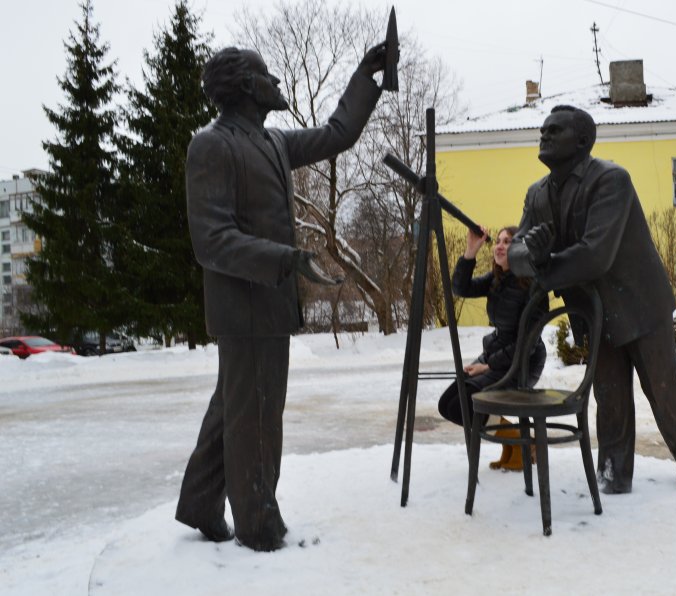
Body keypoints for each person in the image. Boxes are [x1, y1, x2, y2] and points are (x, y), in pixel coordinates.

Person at [175, 43, 390, 552]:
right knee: (256, 417)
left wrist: (365, 75)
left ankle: (201, 503)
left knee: (234, 409)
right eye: (267, 75)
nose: (276, 82)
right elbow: (213, 240)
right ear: (248, 87)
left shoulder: (271, 142)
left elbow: (338, 134)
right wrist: (287, 260)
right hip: (243, 308)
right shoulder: (212, 146)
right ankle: (258, 525)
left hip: (268, 306)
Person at [508, 105, 676, 494]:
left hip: (638, 305)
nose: (544, 135)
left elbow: (596, 253)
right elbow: (516, 253)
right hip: (595, 315)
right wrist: (530, 257)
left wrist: (542, 266)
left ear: (582, 141)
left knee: (663, 391)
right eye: (543, 130)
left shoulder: (611, 180)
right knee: (609, 397)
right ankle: (613, 478)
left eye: (555, 130)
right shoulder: (537, 194)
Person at [437, 226, 547, 471]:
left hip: (521, 363)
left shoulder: (534, 287)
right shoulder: (496, 280)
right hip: (496, 356)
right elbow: (460, 288)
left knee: (462, 405)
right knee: (447, 404)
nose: (499, 246)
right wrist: (470, 251)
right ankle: (516, 442)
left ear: (520, 249)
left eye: (507, 242)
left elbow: (526, 345)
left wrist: (488, 365)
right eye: (498, 241)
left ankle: (521, 440)